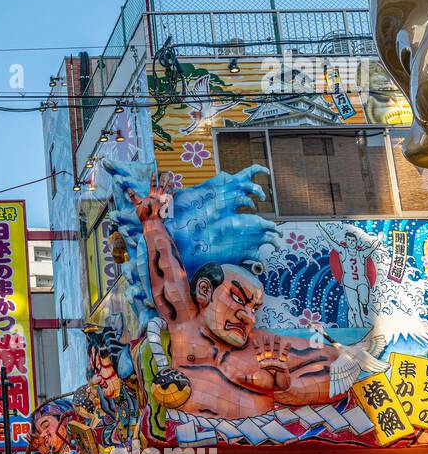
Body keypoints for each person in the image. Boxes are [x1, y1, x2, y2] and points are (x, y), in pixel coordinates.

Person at [125, 172, 344, 419]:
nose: (248, 316)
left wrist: (287, 387)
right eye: (239, 299)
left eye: (254, 308)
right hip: (192, 440)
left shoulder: (264, 348)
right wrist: (152, 223)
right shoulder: (185, 325)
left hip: (257, 439)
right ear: (205, 291)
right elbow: (168, 275)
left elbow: (336, 363)